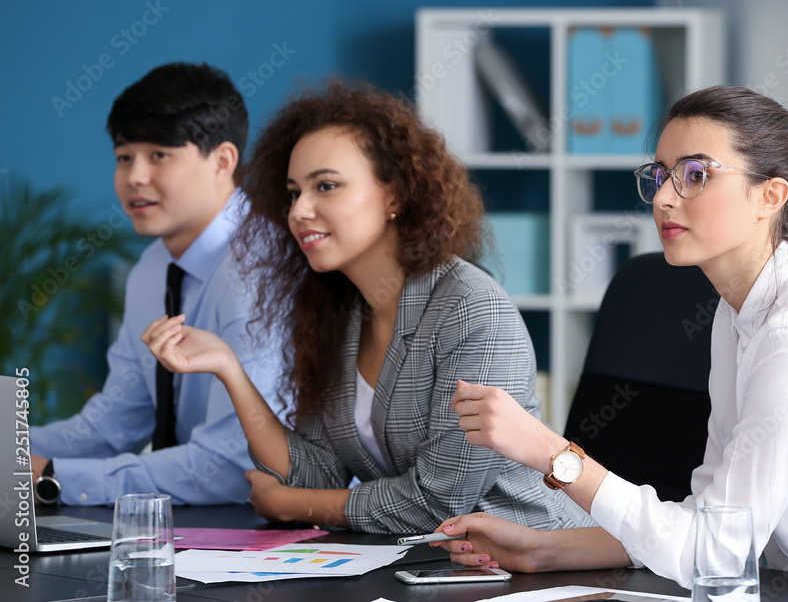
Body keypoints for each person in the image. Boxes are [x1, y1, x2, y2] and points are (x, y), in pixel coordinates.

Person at [434, 86, 788, 598]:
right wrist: (547, 548)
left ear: (771, 196)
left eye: (696, 175)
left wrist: (548, 453)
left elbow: (714, 556)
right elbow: (714, 522)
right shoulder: (740, 310)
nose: (664, 199)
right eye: (659, 175)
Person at [143, 79, 592, 534]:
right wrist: (228, 369)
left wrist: (294, 503)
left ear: (394, 195)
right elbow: (316, 472)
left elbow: (438, 502)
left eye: (326, 186)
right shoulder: (340, 313)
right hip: (429, 567)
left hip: (540, 564)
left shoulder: (471, 309)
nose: (299, 211)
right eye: (295, 192)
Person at [30, 62, 285, 505]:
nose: (134, 177)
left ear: (223, 161)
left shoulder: (258, 269)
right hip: (198, 528)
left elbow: (232, 466)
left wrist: (52, 476)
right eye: (124, 157)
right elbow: (113, 425)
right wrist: (11, 455)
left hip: (285, 533)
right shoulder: (152, 267)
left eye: (159, 155)